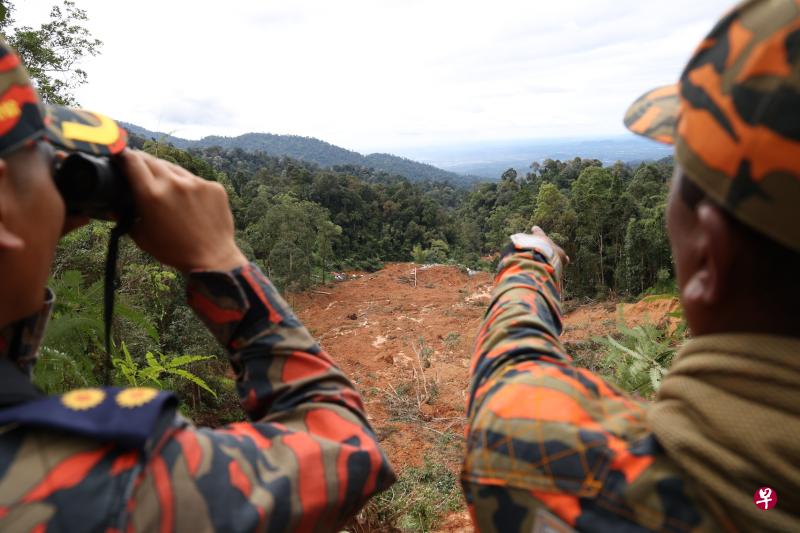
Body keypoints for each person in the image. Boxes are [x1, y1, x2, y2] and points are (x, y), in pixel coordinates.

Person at [0, 39, 394, 531]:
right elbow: (345, 446)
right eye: (43, 165)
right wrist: (220, 259)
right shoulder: (103, 486)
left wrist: (20, 242)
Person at [461, 0, 800, 531]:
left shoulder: (615, 483)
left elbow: (511, 394)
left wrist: (531, 264)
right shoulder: (765, 493)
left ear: (710, 254)